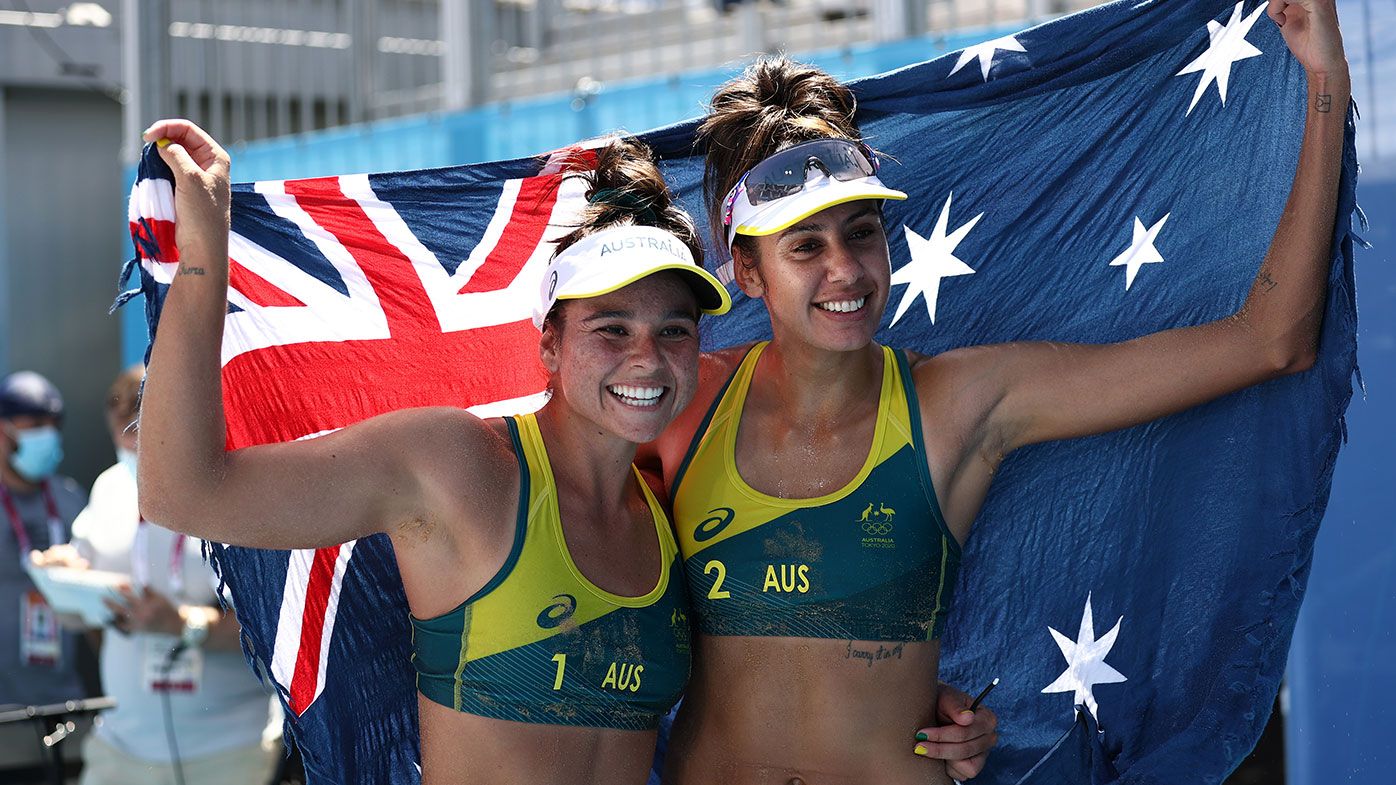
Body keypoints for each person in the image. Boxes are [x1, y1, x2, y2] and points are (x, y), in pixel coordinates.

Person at [644, 1, 1349, 782]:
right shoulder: (679, 400)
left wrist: (1325, 80)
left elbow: (1270, 341)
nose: (844, 270)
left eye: (863, 233)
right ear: (747, 272)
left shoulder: (959, 403)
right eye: (805, 245)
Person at [135, 120, 735, 784]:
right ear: (550, 347)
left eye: (672, 329)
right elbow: (181, 492)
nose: (646, 359)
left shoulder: (670, 501)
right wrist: (202, 257)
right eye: (612, 328)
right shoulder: (458, 465)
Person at [34, 364, 283, 785]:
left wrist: (183, 625)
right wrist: (65, 583)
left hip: (229, 753)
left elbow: (275, 631)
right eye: (123, 442)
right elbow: (79, 619)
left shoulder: (240, 492)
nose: (132, 454)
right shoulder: (109, 487)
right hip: (120, 750)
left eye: (142, 438)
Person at [0, 370, 88, 708]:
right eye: (35, 425)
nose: (48, 434)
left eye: (53, 424)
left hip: (61, 699)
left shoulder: (70, 499)